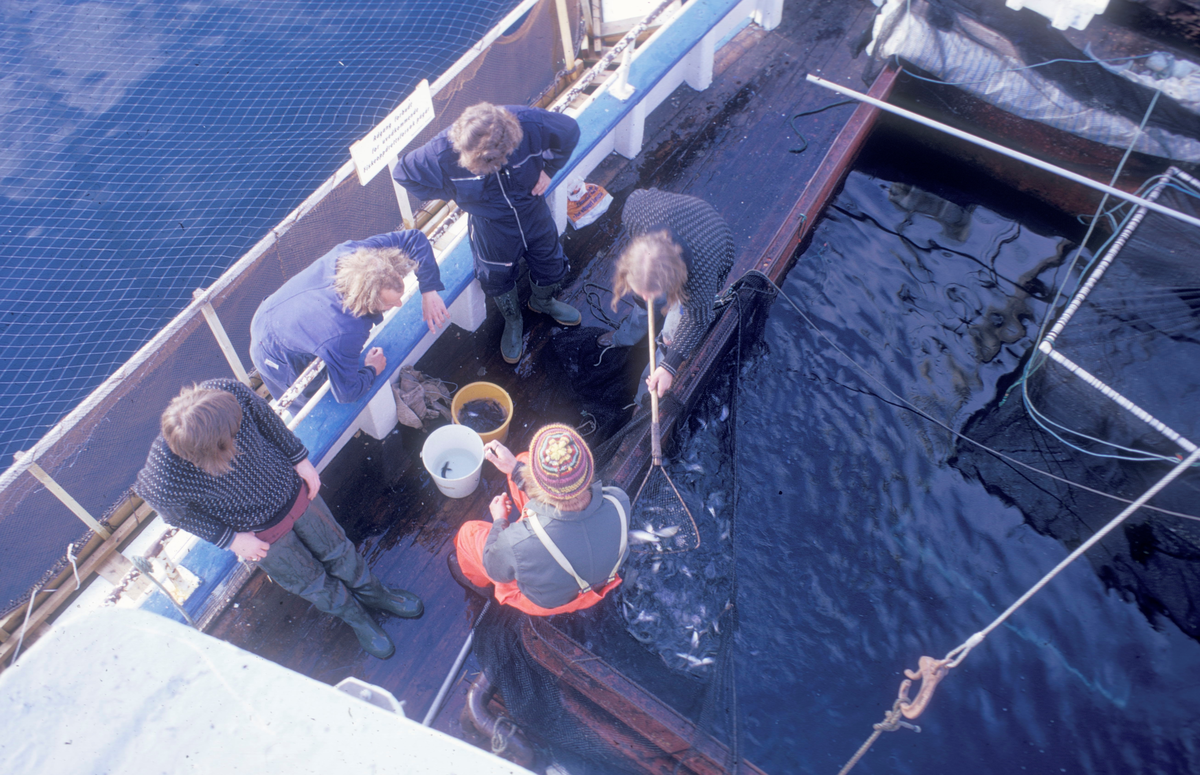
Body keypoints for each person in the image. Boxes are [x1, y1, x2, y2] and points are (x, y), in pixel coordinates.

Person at [135, 379, 422, 659]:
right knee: (309, 581)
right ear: (212, 451)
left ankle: (374, 593)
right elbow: (175, 514)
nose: (240, 435)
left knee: (339, 550)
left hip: (295, 494)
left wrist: (300, 459)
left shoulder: (228, 392)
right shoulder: (164, 475)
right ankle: (356, 616)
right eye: (233, 439)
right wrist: (231, 539)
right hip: (259, 534)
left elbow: (266, 418)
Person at [392, 102, 581, 364]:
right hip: (490, 224)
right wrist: (453, 193)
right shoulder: (440, 152)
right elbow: (403, 173)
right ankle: (513, 319)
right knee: (497, 276)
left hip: (532, 209)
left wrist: (549, 170)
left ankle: (543, 302)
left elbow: (570, 130)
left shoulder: (529, 122)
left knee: (551, 262)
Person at [250, 229, 448, 407]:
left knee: (331, 356)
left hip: (285, 309)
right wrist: (372, 369)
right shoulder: (344, 333)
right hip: (271, 347)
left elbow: (415, 239)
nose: (399, 305)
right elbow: (346, 393)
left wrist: (429, 290)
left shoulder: (358, 254)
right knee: (306, 396)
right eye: (389, 304)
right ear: (368, 302)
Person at [449, 424, 629, 616]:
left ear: (539, 484)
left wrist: (499, 520)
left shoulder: (516, 543)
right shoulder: (618, 500)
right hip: (601, 579)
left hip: (549, 602)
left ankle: (478, 582)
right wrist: (517, 469)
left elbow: (494, 568)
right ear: (589, 470)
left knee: (468, 534)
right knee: (522, 460)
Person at [603, 188, 735, 402]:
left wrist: (670, 367)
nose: (647, 296)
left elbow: (698, 321)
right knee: (643, 303)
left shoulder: (700, 278)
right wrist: (645, 291)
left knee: (672, 335)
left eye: (653, 292)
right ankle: (626, 336)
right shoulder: (635, 210)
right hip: (678, 227)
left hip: (713, 247)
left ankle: (645, 397)